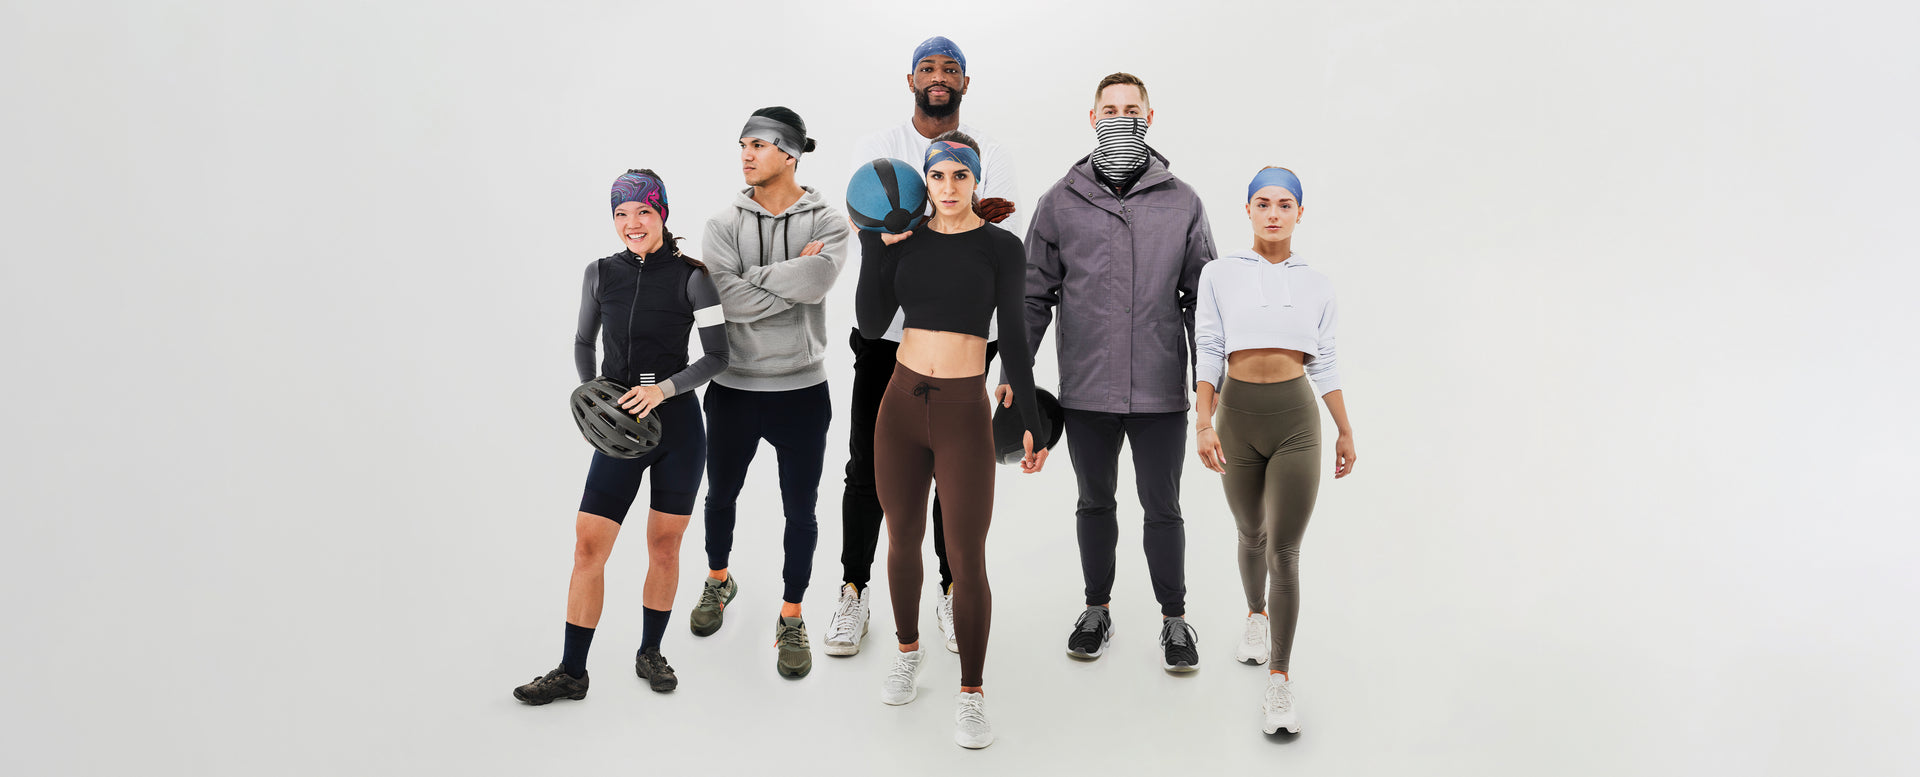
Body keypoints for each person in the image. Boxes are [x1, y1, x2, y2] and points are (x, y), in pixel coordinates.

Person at [1002, 72, 1214, 670]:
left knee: (1163, 506)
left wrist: (1207, 387)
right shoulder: (1060, 201)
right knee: (1094, 502)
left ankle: (1175, 619)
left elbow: (1204, 302)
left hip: (1159, 388)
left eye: (1132, 109)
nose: (1121, 117)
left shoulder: (1183, 202)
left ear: (1149, 118)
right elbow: (1031, 295)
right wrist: (1017, 373)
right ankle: (1097, 608)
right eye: (1110, 108)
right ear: (1092, 117)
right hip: (1087, 387)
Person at [829, 35, 1025, 660]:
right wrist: (917, 230)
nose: (938, 78)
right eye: (927, 68)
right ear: (909, 78)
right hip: (889, 341)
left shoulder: (991, 151)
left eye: (951, 69)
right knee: (867, 466)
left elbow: (992, 237)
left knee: (953, 475)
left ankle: (949, 588)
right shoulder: (881, 149)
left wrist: (918, 228)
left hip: (963, 339)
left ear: (966, 82)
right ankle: (853, 589)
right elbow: (873, 218)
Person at [855, 135, 1045, 749]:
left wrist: (1031, 413)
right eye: (939, 175)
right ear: (926, 182)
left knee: (966, 556)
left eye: (962, 175)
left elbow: (1013, 334)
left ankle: (970, 693)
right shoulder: (904, 240)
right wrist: (873, 249)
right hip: (901, 406)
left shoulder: (1001, 248)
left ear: (977, 181)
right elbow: (868, 322)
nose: (950, 186)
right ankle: (908, 652)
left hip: (965, 409)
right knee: (902, 539)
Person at [512, 169, 730, 704]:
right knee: (589, 547)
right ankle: (571, 670)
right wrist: (596, 399)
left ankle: (650, 651)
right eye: (621, 214)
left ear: (662, 214)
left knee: (664, 546)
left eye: (643, 212)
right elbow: (584, 341)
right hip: (618, 437)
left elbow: (719, 356)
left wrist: (665, 391)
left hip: (677, 428)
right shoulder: (598, 274)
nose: (632, 224)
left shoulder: (694, 277)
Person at [1192, 167, 1357, 734]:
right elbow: (1210, 346)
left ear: (1299, 214)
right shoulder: (1219, 274)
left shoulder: (1317, 283)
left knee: (1285, 549)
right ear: (1247, 210)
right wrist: (1203, 421)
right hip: (1236, 417)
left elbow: (1327, 361)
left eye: (1284, 204)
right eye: (1262, 203)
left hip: (1296, 421)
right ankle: (1255, 616)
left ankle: (1280, 682)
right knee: (1249, 531)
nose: (1273, 213)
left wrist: (1345, 428)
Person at [692, 107, 850, 680]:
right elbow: (722, 298)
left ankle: (792, 615)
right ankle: (717, 581)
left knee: (800, 511)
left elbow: (817, 280)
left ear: (790, 152)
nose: (746, 154)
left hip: (803, 390)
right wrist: (788, 278)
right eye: (742, 145)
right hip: (733, 387)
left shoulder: (829, 221)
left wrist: (754, 278)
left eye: (758, 144)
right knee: (720, 497)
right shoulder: (721, 224)